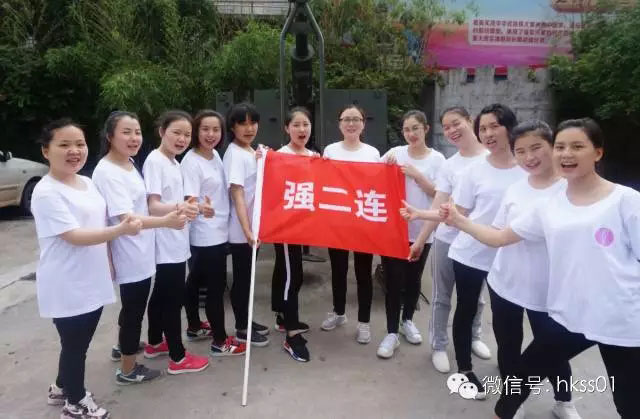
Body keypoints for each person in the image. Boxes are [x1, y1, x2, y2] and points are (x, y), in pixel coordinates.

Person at [441, 118, 640, 419]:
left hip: (621, 319)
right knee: (520, 379)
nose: (567, 154)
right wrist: (459, 220)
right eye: (561, 147)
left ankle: (564, 402)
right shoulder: (549, 204)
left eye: (577, 146)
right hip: (569, 314)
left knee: (629, 403)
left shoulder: (626, 201)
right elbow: (499, 237)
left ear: (598, 152)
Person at [32, 118, 141, 418]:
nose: (74, 151)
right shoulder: (46, 191)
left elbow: (96, 223)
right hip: (67, 281)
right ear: (46, 151)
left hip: (91, 277)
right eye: (64, 145)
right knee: (75, 344)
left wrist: (108, 260)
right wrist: (121, 231)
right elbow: (74, 236)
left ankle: (61, 387)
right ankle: (76, 402)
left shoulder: (87, 182)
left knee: (77, 342)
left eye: (79, 144)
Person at [93, 111, 188, 384]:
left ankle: (121, 348)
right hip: (129, 251)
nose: (134, 138)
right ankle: (128, 369)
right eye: (126, 132)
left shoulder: (128, 163)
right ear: (109, 136)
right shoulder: (108, 172)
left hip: (141, 248)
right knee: (134, 311)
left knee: (132, 307)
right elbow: (127, 218)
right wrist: (166, 221)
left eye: (136, 132)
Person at [405, 106, 492, 374]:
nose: (452, 130)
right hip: (447, 239)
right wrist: (420, 240)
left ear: (470, 121)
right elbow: (438, 205)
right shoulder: (450, 165)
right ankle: (439, 345)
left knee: (476, 297)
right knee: (442, 296)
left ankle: (474, 336)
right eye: (447, 127)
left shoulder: (492, 159)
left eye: (456, 123)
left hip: (479, 240)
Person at [141, 110, 210, 374]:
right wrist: (182, 207)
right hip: (165, 241)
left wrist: (197, 207)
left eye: (187, 134)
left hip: (175, 238)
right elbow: (153, 205)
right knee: (172, 299)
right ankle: (178, 358)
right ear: (162, 132)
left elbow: (176, 201)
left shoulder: (172, 162)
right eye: (176, 133)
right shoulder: (156, 161)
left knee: (160, 294)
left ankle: (154, 342)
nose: (182, 139)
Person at [376, 110, 445, 358]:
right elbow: (369, 177)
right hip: (393, 231)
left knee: (414, 279)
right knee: (393, 282)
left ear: (426, 129)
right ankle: (391, 332)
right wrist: (386, 167)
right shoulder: (395, 153)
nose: (411, 133)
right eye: (406, 129)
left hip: (422, 230)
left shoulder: (438, 160)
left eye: (415, 128)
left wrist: (418, 176)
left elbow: (440, 194)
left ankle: (407, 321)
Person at [181, 109, 247, 356]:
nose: (211, 134)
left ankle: (194, 326)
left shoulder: (215, 156)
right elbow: (189, 200)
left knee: (194, 281)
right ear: (196, 131)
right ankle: (220, 341)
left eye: (216, 129)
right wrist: (201, 208)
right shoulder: (192, 162)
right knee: (215, 288)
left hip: (218, 230)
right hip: (206, 234)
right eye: (205, 129)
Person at [320, 104, 380, 344]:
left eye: (356, 119)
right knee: (338, 270)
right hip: (338, 221)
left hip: (363, 222)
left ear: (363, 124)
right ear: (339, 124)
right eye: (346, 119)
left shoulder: (372, 153)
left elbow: (379, 186)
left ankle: (364, 322)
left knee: (363, 273)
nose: (351, 123)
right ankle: (339, 312)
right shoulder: (330, 150)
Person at [271, 106, 317, 362]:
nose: (302, 129)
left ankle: (282, 315)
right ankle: (291, 335)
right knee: (292, 275)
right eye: (296, 125)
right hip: (286, 227)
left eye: (305, 124)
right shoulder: (279, 156)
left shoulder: (314, 156)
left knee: (285, 271)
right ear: (287, 128)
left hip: (305, 226)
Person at [223, 102, 270, 346]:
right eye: (242, 123)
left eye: (253, 123)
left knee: (248, 279)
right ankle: (242, 328)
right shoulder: (234, 154)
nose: (249, 128)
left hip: (254, 227)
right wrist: (247, 230)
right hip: (243, 230)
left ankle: (247, 320)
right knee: (242, 281)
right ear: (232, 127)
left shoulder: (251, 151)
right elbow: (237, 193)